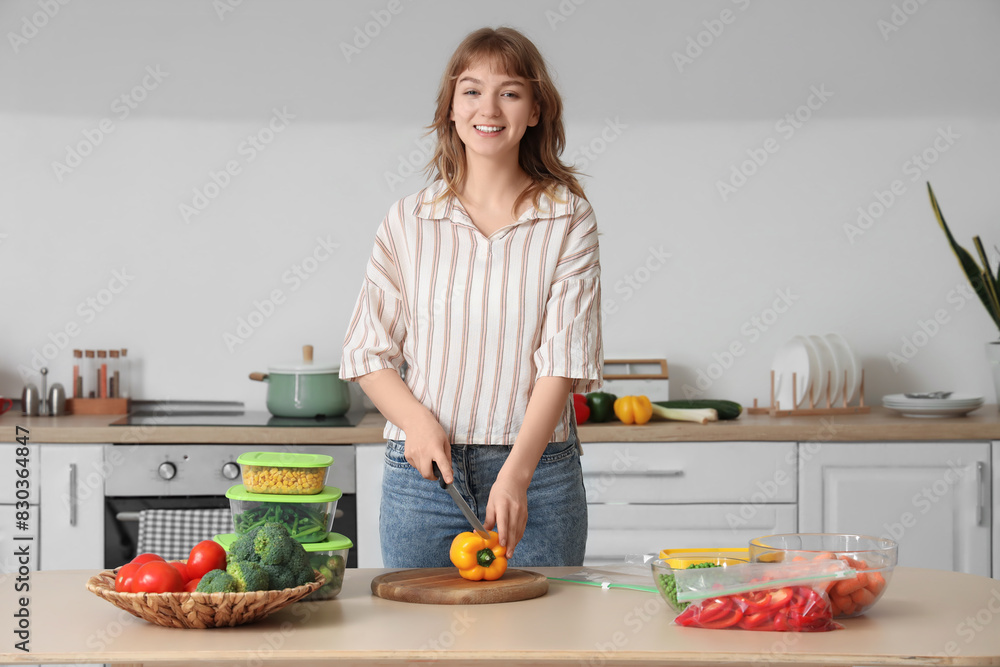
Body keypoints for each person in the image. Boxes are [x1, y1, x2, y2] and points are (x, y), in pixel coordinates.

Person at [340, 26, 602, 568]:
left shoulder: (567, 217)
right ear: (451, 108)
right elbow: (368, 351)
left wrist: (517, 474)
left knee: (539, 645)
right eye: (472, 90)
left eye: (510, 92)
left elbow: (564, 359)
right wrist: (415, 422)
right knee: (420, 647)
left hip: (539, 475)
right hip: (422, 480)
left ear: (534, 110)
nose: (490, 107)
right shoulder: (408, 220)